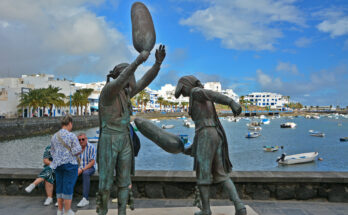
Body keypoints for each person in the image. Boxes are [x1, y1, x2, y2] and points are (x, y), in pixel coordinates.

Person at [96, 44, 166, 215]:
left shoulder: (126, 94)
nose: (135, 78)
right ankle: (103, 211)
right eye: (132, 75)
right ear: (125, 76)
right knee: (105, 184)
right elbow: (120, 80)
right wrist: (137, 61)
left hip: (124, 139)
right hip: (109, 139)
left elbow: (145, 81)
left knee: (124, 182)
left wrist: (157, 64)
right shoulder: (109, 91)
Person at [50, 115, 82, 215]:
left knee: (59, 187)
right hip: (70, 164)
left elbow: (52, 152)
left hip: (58, 165)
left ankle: (60, 210)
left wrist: (59, 156)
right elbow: (77, 150)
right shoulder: (71, 135)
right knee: (68, 188)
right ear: (70, 123)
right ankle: (67, 211)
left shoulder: (54, 136)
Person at [76, 133, 96, 207]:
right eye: (79, 140)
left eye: (83, 139)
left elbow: (92, 162)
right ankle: (65, 197)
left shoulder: (91, 147)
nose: (81, 141)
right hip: (79, 167)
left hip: (89, 167)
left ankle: (85, 199)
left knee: (85, 173)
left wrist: (82, 169)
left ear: (86, 139)